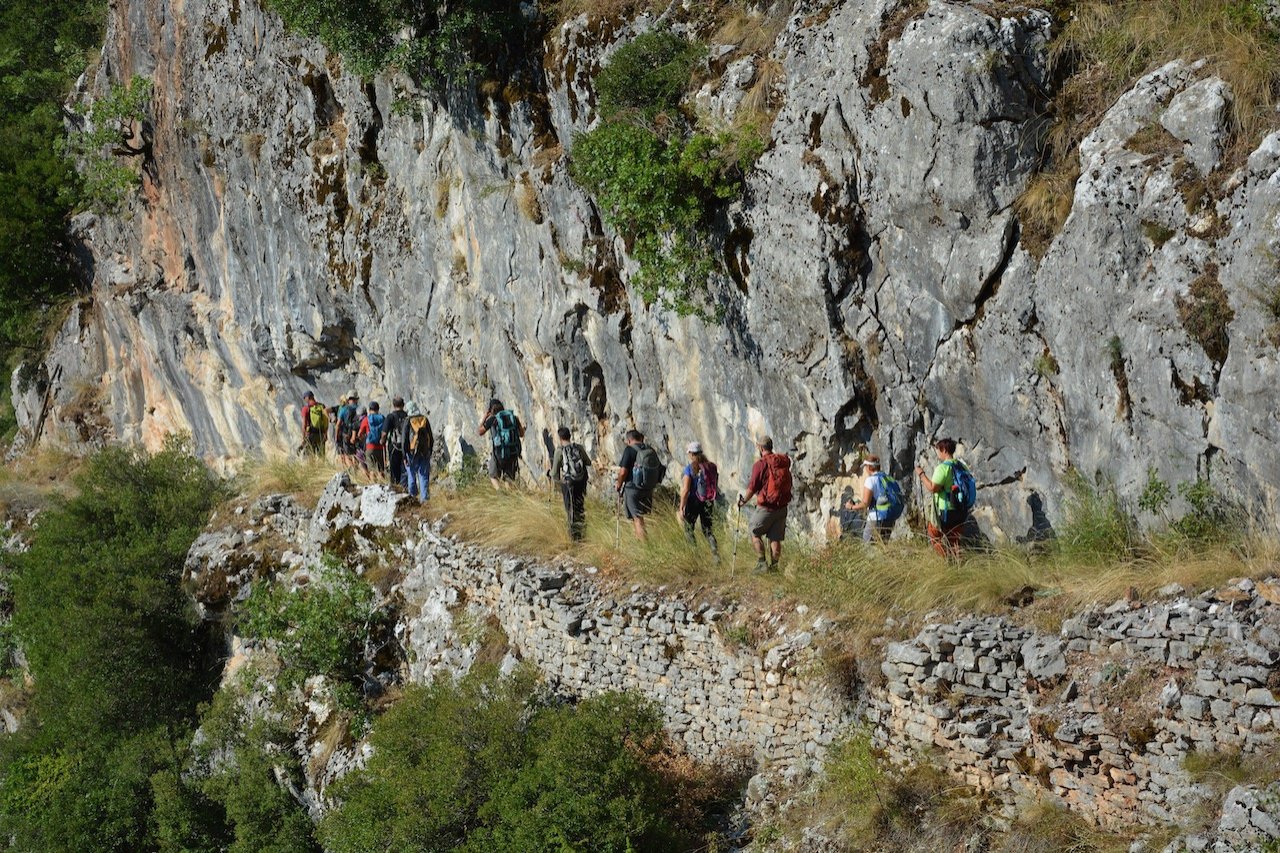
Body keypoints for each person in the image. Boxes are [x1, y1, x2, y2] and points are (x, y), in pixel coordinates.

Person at [738, 436, 792, 573]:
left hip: (766, 508)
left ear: (761, 448)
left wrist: (743, 501)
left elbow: (752, 487)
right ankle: (774, 568)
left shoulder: (760, 464)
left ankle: (762, 564)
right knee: (775, 538)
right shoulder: (782, 462)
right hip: (782, 507)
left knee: (754, 531)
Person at [916, 438, 967, 559]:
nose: (938, 453)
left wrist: (921, 474)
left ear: (943, 450)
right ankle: (959, 566)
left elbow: (933, 488)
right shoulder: (961, 466)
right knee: (954, 541)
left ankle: (946, 562)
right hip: (960, 509)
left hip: (945, 510)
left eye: (938, 450)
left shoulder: (943, 468)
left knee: (934, 534)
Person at [614, 429, 663, 541]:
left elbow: (623, 472)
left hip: (633, 489)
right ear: (640, 438)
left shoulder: (629, 450)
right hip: (648, 487)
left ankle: (645, 547)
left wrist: (619, 484)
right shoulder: (650, 449)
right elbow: (659, 468)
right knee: (641, 516)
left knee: (637, 518)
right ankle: (639, 543)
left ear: (629, 440)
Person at [548, 426, 589, 541]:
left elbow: (555, 472)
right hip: (581, 482)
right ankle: (582, 533)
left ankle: (574, 537)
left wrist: (555, 479)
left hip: (569, 483)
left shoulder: (559, 451)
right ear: (570, 436)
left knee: (570, 508)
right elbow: (588, 462)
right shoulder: (579, 448)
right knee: (580, 506)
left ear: (560, 438)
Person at [678, 442, 719, 557]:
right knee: (708, 530)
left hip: (694, 501)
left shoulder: (690, 468)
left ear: (691, 454)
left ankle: (695, 556)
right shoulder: (711, 466)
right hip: (708, 501)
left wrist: (681, 507)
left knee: (689, 528)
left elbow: (686, 490)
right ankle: (716, 556)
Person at [846, 455, 897, 543]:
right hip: (889, 517)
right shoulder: (887, 478)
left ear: (869, 467)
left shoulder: (870, 480)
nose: (865, 469)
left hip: (875, 518)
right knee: (883, 545)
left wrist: (851, 507)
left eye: (865, 466)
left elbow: (865, 503)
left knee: (869, 547)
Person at [479, 398, 525, 489]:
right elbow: (521, 434)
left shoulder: (492, 419)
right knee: (508, 478)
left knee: (493, 475)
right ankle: (508, 497)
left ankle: (500, 492)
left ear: (491, 410)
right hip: (512, 452)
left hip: (499, 453)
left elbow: (480, 432)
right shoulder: (513, 418)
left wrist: (485, 417)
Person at [402, 401, 433, 501]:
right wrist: (429, 451)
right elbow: (431, 437)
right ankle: (425, 499)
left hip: (411, 452)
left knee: (411, 474)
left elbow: (404, 440)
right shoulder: (424, 419)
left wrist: (404, 455)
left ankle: (412, 497)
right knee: (423, 475)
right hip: (424, 452)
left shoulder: (408, 420)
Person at [384, 396, 409, 488]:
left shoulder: (390, 417)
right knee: (404, 469)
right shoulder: (407, 416)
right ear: (403, 405)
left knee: (394, 469)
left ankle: (395, 488)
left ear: (393, 405)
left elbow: (384, 433)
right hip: (405, 447)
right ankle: (405, 488)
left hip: (393, 447)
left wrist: (382, 441)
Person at [360, 401, 388, 478]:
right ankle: (382, 487)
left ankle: (373, 487)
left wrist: (364, 437)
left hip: (370, 447)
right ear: (378, 409)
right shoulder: (382, 418)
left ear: (369, 409)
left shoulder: (366, 419)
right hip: (380, 447)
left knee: (372, 470)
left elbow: (360, 433)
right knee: (380, 470)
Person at [336, 391, 360, 468]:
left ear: (348, 399)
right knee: (356, 455)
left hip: (346, 435)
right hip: (358, 436)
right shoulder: (360, 409)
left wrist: (337, 437)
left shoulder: (344, 409)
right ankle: (356, 470)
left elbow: (338, 424)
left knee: (347, 456)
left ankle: (351, 471)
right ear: (357, 399)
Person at [300, 391, 327, 455]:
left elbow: (304, 425)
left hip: (310, 435)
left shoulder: (305, 409)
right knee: (321, 456)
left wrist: (303, 438)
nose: (304, 399)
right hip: (321, 435)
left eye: (304, 397)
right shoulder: (322, 406)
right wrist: (325, 434)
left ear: (308, 398)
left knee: (309, 456)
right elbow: (326, 421)